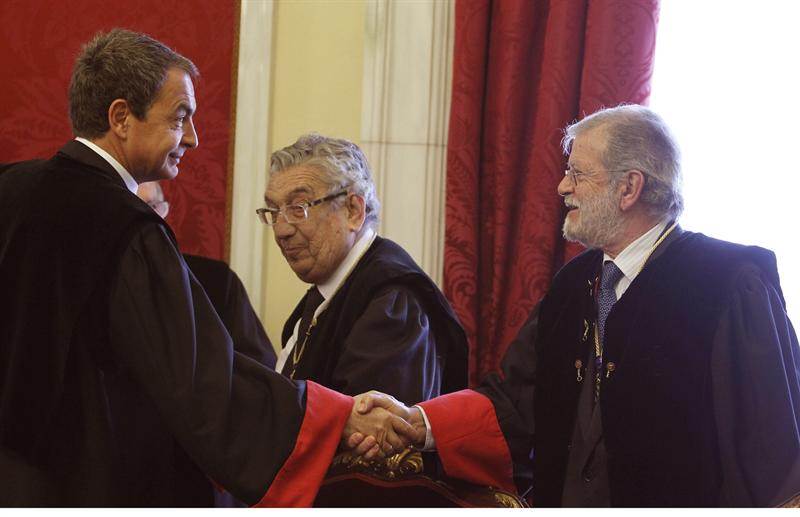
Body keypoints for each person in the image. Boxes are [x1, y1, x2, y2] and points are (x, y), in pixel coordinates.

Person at [0, 28, 409, 507]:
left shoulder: (11, 188)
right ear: (121, 118)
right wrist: (332, 418)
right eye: (180, 118)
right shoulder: (123, 226)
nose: (193, 138)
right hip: (74, 484)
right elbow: (201, 376)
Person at [350, 105, 800, 507]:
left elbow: (772, 454)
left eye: (578, 174)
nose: (563, 186)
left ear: (629, 187)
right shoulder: (573, 285)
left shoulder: (728, 282)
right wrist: (421, 422)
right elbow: (512, 403)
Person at [263, 134, 468, 404]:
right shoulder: (328, 289)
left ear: (353, 211)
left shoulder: (394, 306)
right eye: (273, 211)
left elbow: (370, 426)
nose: (281, 230)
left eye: (299, 208)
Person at [137, 181, 276, 370]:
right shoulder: (100, 280)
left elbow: (258, 366)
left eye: (151, 206)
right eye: (133, 207)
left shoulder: (217, 281)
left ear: (164, 210)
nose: (144, 217)